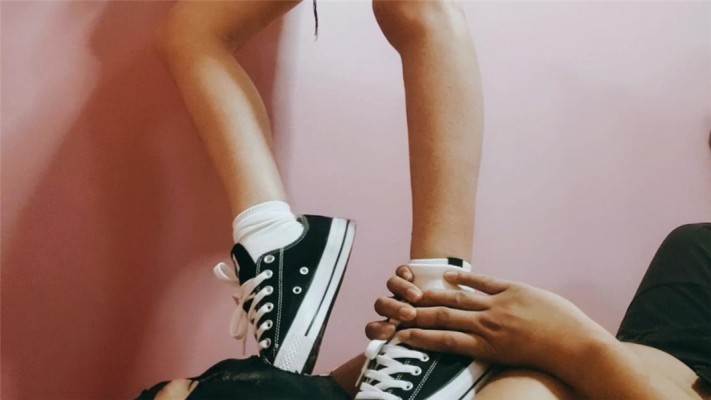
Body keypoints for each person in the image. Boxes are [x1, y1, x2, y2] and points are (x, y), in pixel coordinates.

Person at [141, 0, 711, 398]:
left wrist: (575, 346)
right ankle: (285, 243)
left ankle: (391, 280)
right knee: (194, 31)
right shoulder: (695, 253)